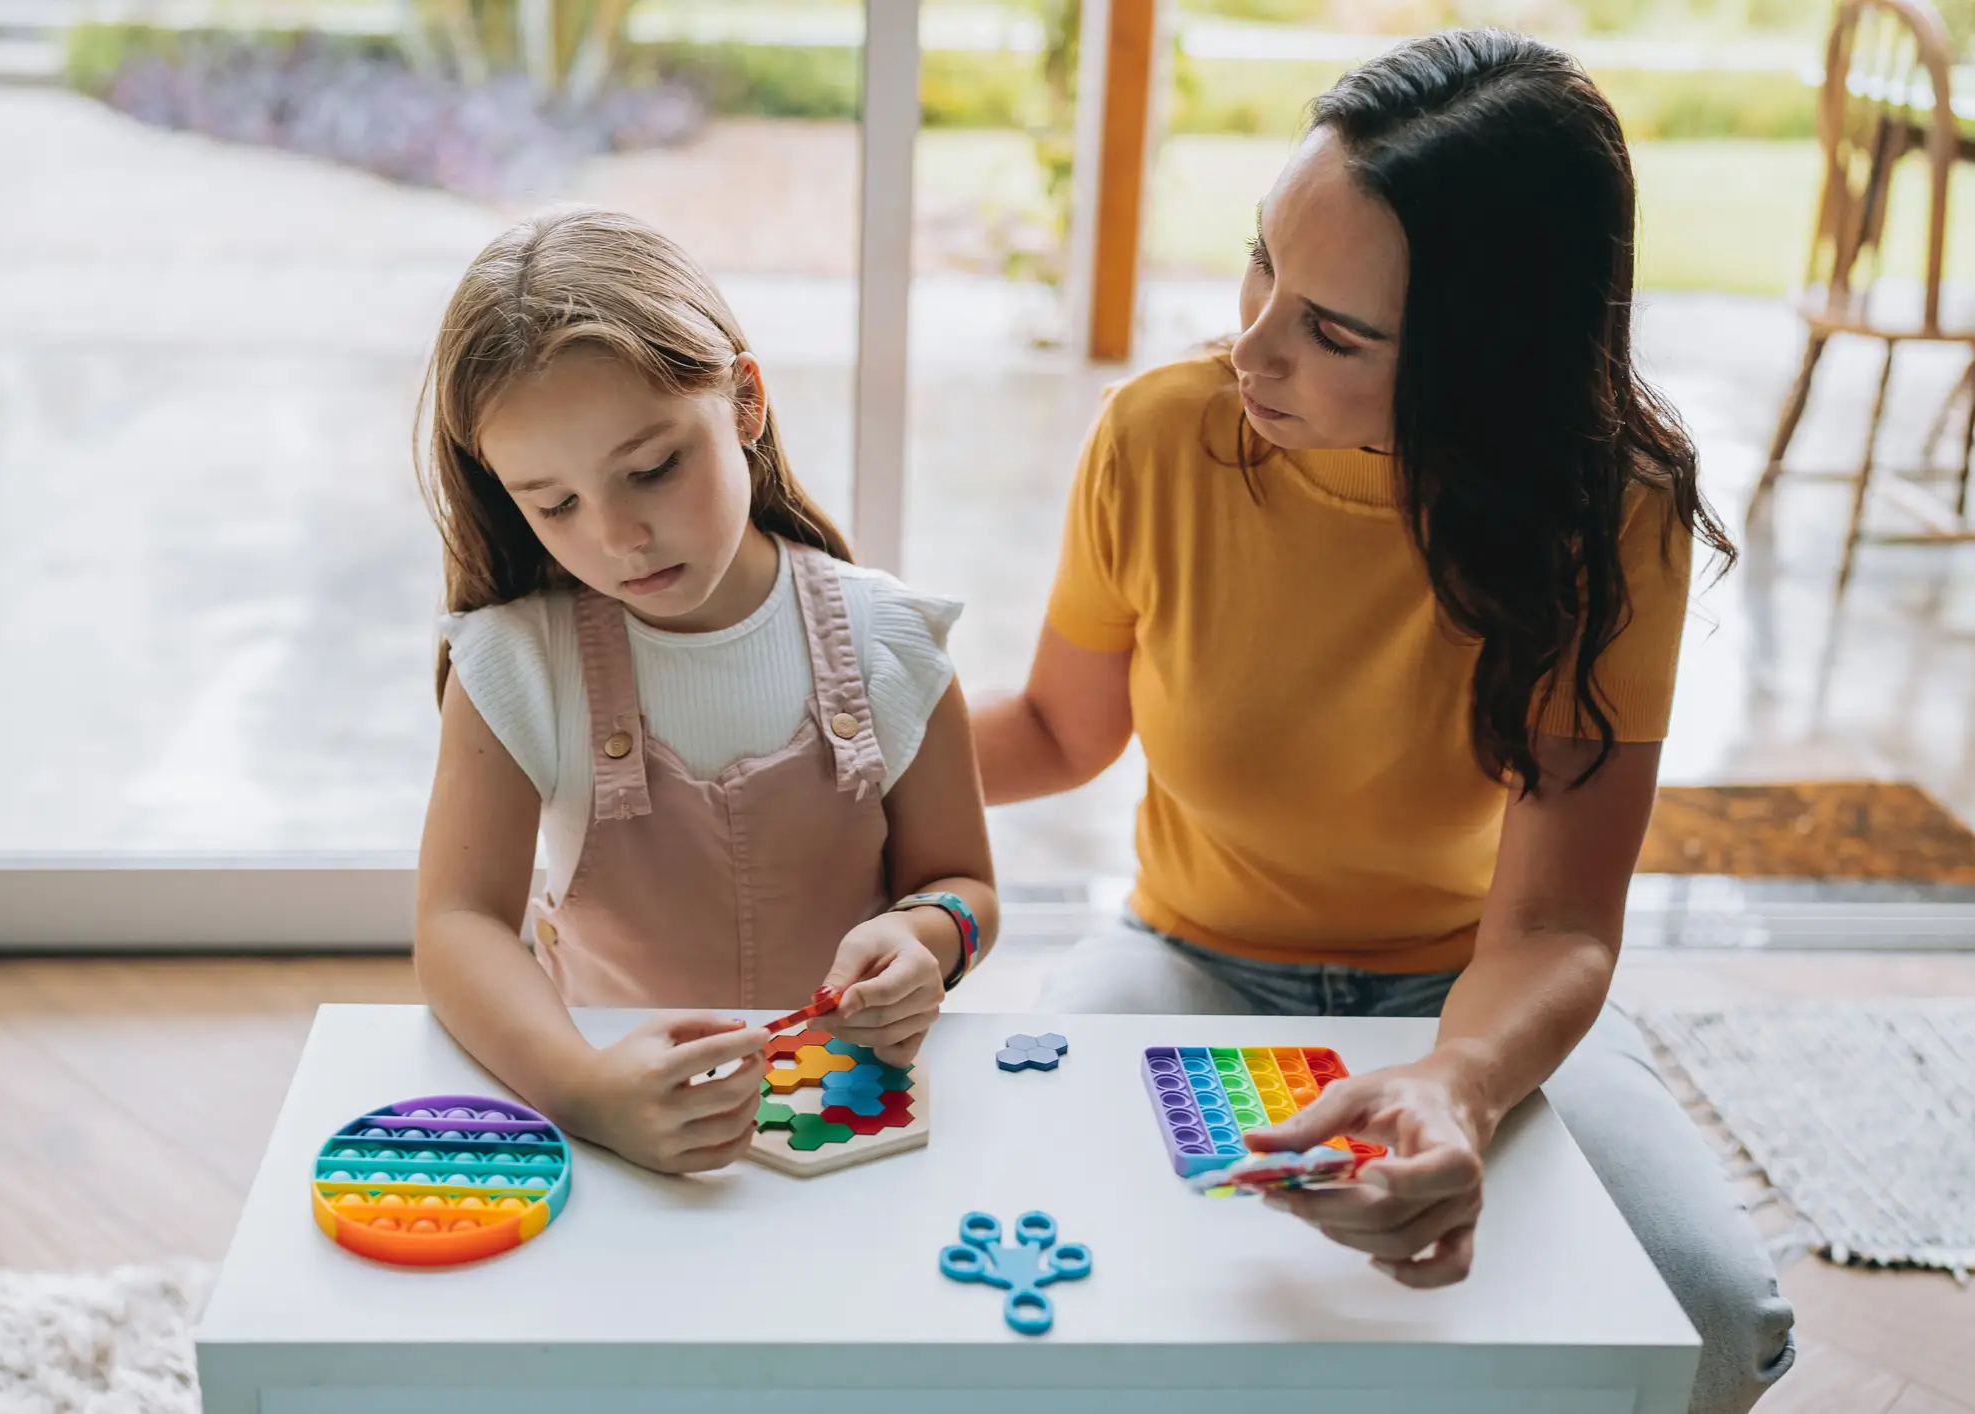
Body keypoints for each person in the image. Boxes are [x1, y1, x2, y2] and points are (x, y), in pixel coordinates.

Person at [974, 31, 1792, 1414]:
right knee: (1052, 1257)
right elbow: (1061, 730)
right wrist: (834, 741)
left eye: (1331, 329)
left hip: (1468, 981)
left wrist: (1459, 1083)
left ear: (1491, 361)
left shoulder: (1614, 506)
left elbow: (1554, 927)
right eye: (1261, 265)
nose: (1250, 343)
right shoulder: (1158, 437)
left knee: (1710, 1321)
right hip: (1189, 962)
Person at [412, 207, 996, 1177]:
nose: (617, 536)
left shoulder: (893, 639)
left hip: (860, 1133)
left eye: (651, 469)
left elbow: (965, 888)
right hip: (621, 1137)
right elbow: (458, 923)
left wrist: (924, 935)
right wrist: (582, 1090)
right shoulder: (515, 660)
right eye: (553, 503)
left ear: (746, 400)